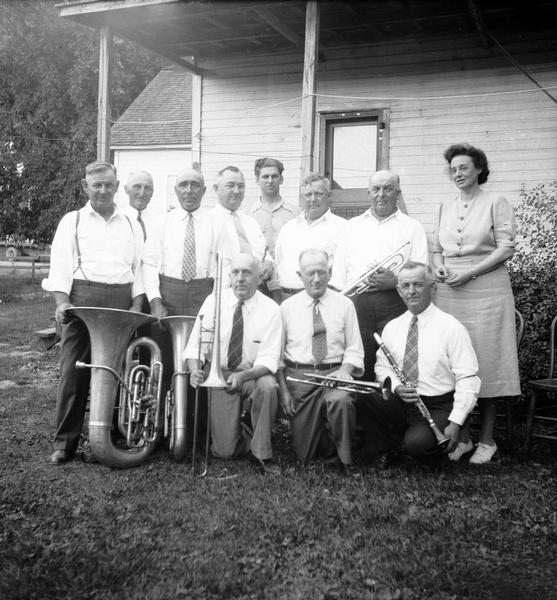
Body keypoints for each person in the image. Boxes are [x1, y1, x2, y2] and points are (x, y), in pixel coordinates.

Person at [42, 161, 145, 465]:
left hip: (121, 301)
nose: (102, 189)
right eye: (96, 184)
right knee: (73, 373)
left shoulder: (130, 223)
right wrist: (61, 302)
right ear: (85, 186)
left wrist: (137, 306)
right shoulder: (72, 221)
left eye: (108, 184)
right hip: (81, 302)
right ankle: (65, 443)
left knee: (118, 371)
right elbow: (60, 267)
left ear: (117, 186)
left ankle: (109, 436)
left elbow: (139, 269)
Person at [432, 143, 520, 464]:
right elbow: (436, 248)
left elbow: (506, 248)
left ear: (479, 169)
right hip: (450, 292)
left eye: (464, 168)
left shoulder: (495, 201)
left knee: (486, 363)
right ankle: (464, 438)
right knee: (456, 362)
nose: (458, 174)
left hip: (487, 289)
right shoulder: (444, 205)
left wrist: (469, 273)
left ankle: (487, 440)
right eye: (453, 169)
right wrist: (439, 266)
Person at [359, 261, 480, 467]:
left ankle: (405, 445)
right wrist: (396, 386)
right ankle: (388, 447)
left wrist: (456, 422)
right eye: (405, 286)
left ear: (432, 287)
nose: (411, 291)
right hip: (404, 400)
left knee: (417, 445)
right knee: (364, 399)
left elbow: (468, 377)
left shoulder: (451, 327)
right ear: (398, 290)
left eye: (418, 284)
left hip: (438, 404)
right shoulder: (393, 327)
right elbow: (382, 366)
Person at [185, 253, 283, 475]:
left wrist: (243, 376)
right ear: (229, 276)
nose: (240, 278)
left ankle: (262, 452)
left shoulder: (271, 309)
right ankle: (247, 430)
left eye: (247, 273)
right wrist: (194, 370)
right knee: (224, 452)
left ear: (259, 278)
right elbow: (195, 346)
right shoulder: (213, 301)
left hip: (253, 374)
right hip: (218, 374)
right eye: (235, 272)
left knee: (268, 387)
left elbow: (269, 360)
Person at [331, 170, 428, 380]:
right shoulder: (351, 226)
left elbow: (421, 274)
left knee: (396, 359)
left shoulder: (413, 227)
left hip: (395, 301)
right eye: (376, 189)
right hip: (356, 302)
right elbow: (339, 276)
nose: (381, 194)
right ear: (368, 193)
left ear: (398, 193)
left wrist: (395, 281)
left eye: (388, 188)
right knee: (359, 360)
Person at [277, 249, 364, 477]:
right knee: (304, 456)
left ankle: (346, 460)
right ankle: (325, 445)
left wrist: (345, 369)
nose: (316, 279)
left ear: (331, 273)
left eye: (322, 272)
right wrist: (284, 391)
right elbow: (276, 356)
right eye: (310, 273)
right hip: (300, 379)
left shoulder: (345, 304)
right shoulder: (287, 308)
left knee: (341, 401)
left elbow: (354, 348)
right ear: (299, 275)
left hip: (334, 374)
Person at [142, 168, 231, 319]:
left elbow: (226, 265)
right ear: (176, 190)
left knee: (202, 341)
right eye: (183, 185)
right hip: (167, 296)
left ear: (203, 191)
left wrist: (216, 303)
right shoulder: (161, 222)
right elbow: (149, 264)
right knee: (164, 341)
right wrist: (155, 302)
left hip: (205, 296)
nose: (189, 190)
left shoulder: (218, 223)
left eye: (195, 185)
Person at [275, 174, 346, 302]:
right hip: (286, 297)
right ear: (302, 198)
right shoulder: (288, 228)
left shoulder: (342, 228)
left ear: (329, 196)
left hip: (323, 299)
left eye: (318, 194)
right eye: (308, 195)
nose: (313, 199)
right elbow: (279, 261)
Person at [211, 166, 274, 289]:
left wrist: (269, 262)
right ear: (216, 189)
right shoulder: (208, 222)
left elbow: (263, 251)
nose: (236, 191)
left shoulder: (251, 221)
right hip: (225, 291)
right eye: (230, 185)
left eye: (241, 186)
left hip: (258, 289)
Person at [250, 158, 299, 301]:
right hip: (259, 283)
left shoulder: (296, 213)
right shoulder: (248, 215)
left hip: (287, 284)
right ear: (257, 180)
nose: (270, 180)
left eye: (274, 176)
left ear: (281, 179)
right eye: (265, 176)